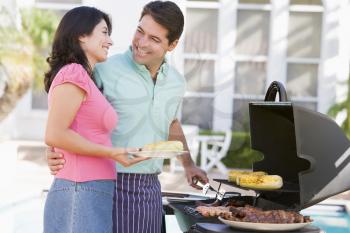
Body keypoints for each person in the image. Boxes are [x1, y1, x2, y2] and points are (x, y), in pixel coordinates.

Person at [47, 2, 209, 233]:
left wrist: (188, 164)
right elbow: (67, 109)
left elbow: (170, 121)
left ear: (172, 45)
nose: (141, 43)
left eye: (154, 39)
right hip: (110, 181)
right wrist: (53, 147)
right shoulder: (103, 68)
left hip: (151, 185)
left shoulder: (176, 81)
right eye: (140, 31)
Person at [43, 6, 147, 233]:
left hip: (90, 188)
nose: (110, 41)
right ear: (81, 34)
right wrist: (112, 153)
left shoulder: (84, 78)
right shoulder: (74, 73)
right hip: (79, 188)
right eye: (104, 32)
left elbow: (68, 129)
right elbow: (55, 133)